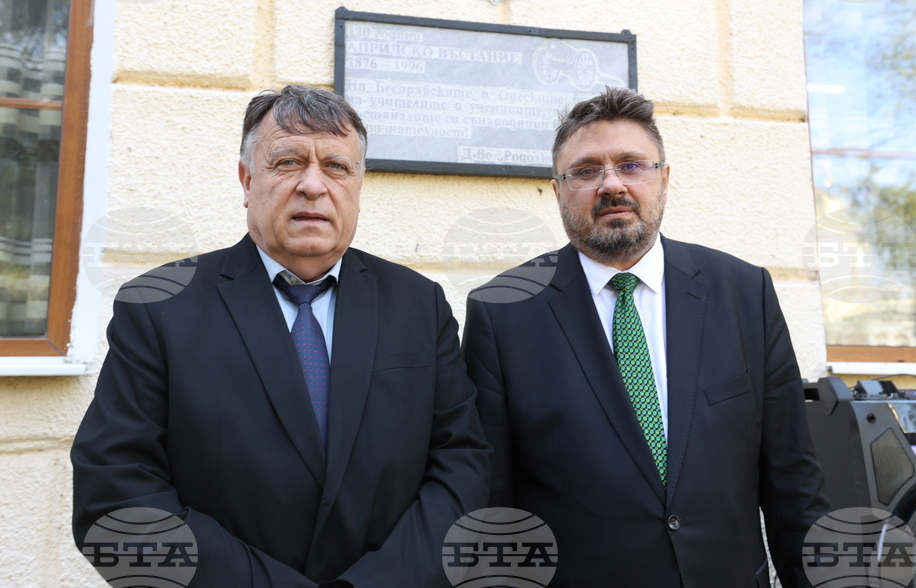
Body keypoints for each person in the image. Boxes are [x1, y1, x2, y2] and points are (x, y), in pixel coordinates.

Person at [72, 85, 491, 587]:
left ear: (358, 184)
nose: (313, 185)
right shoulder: (159, 307)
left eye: (336, 166)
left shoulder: (418, 304)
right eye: (288, 162)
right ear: (247, 180)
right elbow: (115, 498)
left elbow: (461, 465)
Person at [462, 87, 830, 587]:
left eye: (632, 165)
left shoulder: (745, 292)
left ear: (664, 179)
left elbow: (794, 482)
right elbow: (492, 505)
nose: (611, 184)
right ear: (557, 190)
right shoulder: (502, 311)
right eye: (587, 170)